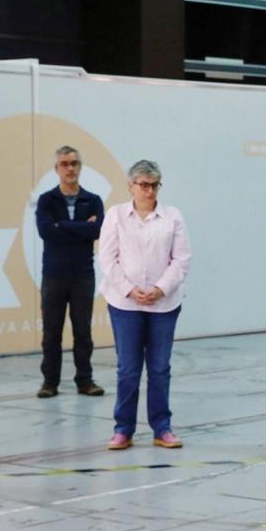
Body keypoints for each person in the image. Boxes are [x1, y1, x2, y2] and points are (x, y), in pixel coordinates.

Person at [98, 160, 191, 450]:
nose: (149, 191)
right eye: (143, 185)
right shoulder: (115, 215)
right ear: (131, 186)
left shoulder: (172, 216)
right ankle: (123, 429)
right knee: (128, 368)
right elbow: (107, 258)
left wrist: (160, 288)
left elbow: (182, 259)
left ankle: (161, 427)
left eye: (154, 185)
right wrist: (129, 289)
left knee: (160, 367)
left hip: (164, 305)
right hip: (125, 305)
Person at [34, 145, 105, 398]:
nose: (70, 168)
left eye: (74, 163)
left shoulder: (93, 200)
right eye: (64, 164)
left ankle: (85, 380)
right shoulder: (46, 200)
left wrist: (62, 226)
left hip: (82, 275)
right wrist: (79, 228)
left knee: (83, 331)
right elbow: (46, 231)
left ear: (80, 167)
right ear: (56, 169)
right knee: (52, 331)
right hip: (54, 275)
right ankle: (49, 382)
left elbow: (98, 232)